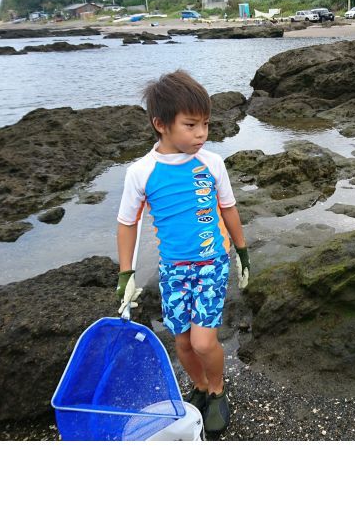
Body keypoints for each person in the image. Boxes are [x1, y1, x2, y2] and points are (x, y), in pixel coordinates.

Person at [116, 70, 250, 436]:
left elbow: (229, 208)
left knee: (203, 340)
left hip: (211, 264)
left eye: (205, 124)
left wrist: (241, 250)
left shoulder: (212, 163)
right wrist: (125, 274)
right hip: (173, 269)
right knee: (181, 341)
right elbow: (127, 222)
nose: (202, 134)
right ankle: (202, 388)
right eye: (191, 125)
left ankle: (219, 389)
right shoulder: (141, 172)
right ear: (160, 124)